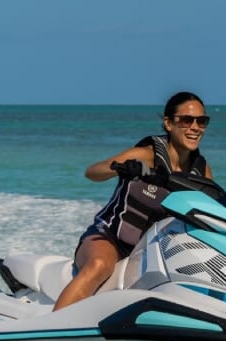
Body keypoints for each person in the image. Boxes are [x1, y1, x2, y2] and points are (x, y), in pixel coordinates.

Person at [53, 91, 214, 311]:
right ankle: (49, 336)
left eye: (201, 121)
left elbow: (212, 209)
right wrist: (121, 167)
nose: (195, 127)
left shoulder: (201, 171)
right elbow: (91, 172)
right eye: (187, 120)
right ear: (168, 123)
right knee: (99, 266)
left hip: (154, 252)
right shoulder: (146, 154)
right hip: (109, 238)